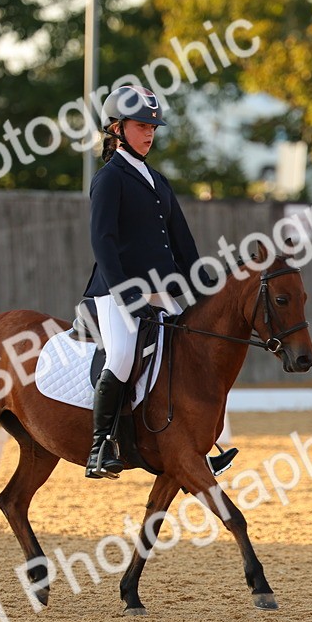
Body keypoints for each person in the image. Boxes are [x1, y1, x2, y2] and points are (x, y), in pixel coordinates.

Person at [82, 84, 204, 479]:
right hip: (116, 293)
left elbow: (182, 242)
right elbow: (103, 242)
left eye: (153, 126)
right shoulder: (109, 178)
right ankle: (101, 445)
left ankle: (203, 443)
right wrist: (124, 294)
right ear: (116, 129)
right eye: (141, 126)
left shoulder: (157, 180)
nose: (150, 133)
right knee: (120, 357)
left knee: (198, 352)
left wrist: (201, 285)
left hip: (163, 293)